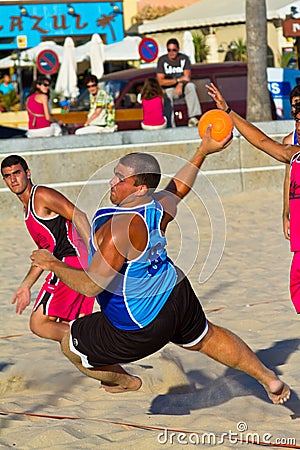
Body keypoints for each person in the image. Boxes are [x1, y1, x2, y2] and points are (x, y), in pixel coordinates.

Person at [30, 129, 290, 405]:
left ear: (139, 188)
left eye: (120, 179)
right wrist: (203, 150)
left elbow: (93, 285)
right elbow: (178, 188)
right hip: (176, 293)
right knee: (207, 337)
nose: (112, 181)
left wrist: (53, 264)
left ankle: (127, 382)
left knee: (70, 343)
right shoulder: (156, 205)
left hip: (141, 322)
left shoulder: (118, 229)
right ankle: (268, 378)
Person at [206, 81, 300, 316]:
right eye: (298, 121)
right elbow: (261, 141)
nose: (299, 125)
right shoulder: (294, 153)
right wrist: (228, 112)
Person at [1, 155, 95, 342]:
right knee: (73, 327)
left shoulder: (41, 195)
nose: (13, 179)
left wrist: (95, 255)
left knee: (39, 323)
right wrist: (26, 286)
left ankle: (92, 340)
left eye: (17, 173)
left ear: (27, 173)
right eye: (8, 175)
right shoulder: (27, 208)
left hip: (72, 262)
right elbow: (46, 252)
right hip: (65, 262)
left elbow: (78, 215)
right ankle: (113, 363)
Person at [157, 38, 201, 128]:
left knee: (191, 86)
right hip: (169, 89)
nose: (171, 52)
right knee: (167, 95)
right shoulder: (162, 60)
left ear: (178, 49)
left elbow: (187, 77)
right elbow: (161, 81)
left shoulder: (184, 59)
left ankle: (193, 117)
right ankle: (169, 123)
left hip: (183, 87)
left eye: (174, 50)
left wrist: (180, 84)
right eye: (169, 50)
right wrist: (177, 81)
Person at [282, 85, 300, 241]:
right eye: (294, 105)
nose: (296, 109)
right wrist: (285, 214)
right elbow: (288, 180)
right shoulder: (289, 141)